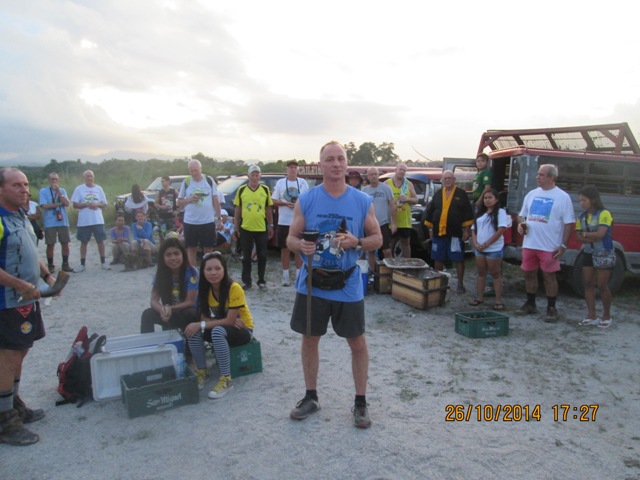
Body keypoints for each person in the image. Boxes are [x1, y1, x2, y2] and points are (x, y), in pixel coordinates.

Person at [287, 141, 382, 429]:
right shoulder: (307, 199)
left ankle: (360, 402)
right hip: (312, 284)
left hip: (347, 282)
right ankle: (311, 397)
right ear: (321, 165)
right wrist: (300, 246)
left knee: (357, 343)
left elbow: (378, 238)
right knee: (310, 339)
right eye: (330, 159)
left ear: (347, 163)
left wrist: (358, 241)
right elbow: (291, 238)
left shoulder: (361, 200)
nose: (336, 163)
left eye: (341, 158)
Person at [0, 168, 58, 446]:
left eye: (25, 185)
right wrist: (21, 285)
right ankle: (5, 423)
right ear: (1, 189)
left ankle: (13, 404)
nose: (24, 190)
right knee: (7, 357)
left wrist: (47, 276)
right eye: (16, 185)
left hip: (27, 300)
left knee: (20, 352)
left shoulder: (21, 216)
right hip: (6, 302)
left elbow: (30, 252)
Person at [183, 252, 253, 397]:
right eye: (208, 269)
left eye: (217, 268)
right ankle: (202, 371)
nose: (213, 273)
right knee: (193, 329)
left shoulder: (234, 288)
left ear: (224, 269)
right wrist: (210, 322)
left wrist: (209, 323)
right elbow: (205, 318)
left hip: (243, 329)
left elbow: (229, 321)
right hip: (225, 326)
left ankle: (226, 379)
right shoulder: (204, 289)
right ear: (203, 271)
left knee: (215, 330)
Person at [515, 164, 575, 322]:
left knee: (549, 276)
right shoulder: (531, 194)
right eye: (538, 174)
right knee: (528, 274)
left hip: (549, 245)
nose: (537, 177)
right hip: (530, 244)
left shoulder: (562, 197)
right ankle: (530, 303)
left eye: (541, 175)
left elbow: (569, 223)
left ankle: (551, 308)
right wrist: (521, 224)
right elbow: (521, 215)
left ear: (551, 178)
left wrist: (563, 245)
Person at [423, 170, 474, 293]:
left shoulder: (461, 194)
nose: (447, 180)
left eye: (449, 178)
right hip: (438, 232)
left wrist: (467, 231)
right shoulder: (438, 194)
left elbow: (468, 212)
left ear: (454, 179)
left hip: (455, 233)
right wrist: (430, 230)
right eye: (444, 178)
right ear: (442, 180)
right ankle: (437, 283)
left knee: (458, 258)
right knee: (438, 257)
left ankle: (460, 284)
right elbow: (430, 212)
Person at [140, 238, 199, 334]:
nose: (173, 258)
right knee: (147, 314)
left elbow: (190, 301)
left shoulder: (191, 272)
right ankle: (147, 343)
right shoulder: (161, 273)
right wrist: (162, 310)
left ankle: (190, 342)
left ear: (183, 254)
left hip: (186, 314)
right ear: (162, 257)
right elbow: (154, 300)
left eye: (176, 253)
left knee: (190, 313)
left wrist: (171, 308)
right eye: (168, 255)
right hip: (168, 313)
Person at [575, 186, 615, 328]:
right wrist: (589, 236)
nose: (581, 203)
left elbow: (601, 234)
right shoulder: (581, 217)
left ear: (593, 200)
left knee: (602, 285)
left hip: (603, 252)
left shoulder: (604, 213)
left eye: (584, 200)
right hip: (588, 252)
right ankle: (591, 315)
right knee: (588, 283)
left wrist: (586, 234)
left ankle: (606, 315)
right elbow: (577, 236)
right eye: (580, 200)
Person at [233, 165, 274, 290]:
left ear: (260, 176)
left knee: (262, 256)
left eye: (257, 175)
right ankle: (247, 281)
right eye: (252, 175)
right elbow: (238, 209)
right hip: (246, 228)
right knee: (246, 257)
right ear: (248, 176)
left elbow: (268, 208)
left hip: (261, 228)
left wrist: (271, 225)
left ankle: (261, 281)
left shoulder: (265, 190)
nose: (254, 177)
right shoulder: (241, 190)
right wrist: (236, 226)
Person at [271, 160, 310, 286]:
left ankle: (299, 275)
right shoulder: (281, 182)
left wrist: (299, 204)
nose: (293, 169)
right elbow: (273, 200)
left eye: (295, 167)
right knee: (285, 249)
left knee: (299, 248)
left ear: (297, 170)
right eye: (290, 167)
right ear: (286, 169)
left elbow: (308, 199)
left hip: (299, 221)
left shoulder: (302, 182)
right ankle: (285, 276)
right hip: (284, 221)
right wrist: (285, 204)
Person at [177, 160, 222, 267]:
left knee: (208, 249)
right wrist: (189, 199)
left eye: (196, 170)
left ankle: (207, 270)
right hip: (190, 222)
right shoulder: (186, 182)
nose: (194, 173)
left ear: (201, 169)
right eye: (191, 171)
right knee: (191, 248)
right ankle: (193, 272)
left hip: (207, 221)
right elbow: (179, 202)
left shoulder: (209, 180)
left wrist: (219, 218)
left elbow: (215, 200)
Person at [469, 189, 507, 310]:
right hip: (479, 248)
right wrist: (475, 243)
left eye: (490, 198)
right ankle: (479, 297)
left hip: (493, 248)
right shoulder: (480, 213)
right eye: (485, 198)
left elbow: (501, 230)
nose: (487, 200)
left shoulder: (500, 212)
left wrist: (487, 244)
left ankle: (498, 300)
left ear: (496, 199)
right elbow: (473, 229)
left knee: (495, 274)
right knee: (481, 273)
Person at [71, 170, 110, 272]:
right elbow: (75, 205)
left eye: (91, 176)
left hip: (97, 220)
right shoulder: (79, 189)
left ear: (93, 177)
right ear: (84, 177)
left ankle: (103, 262)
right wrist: (86, 204)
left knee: (100, 241)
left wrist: (97, 204)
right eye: (87, 176)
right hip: (84, 221)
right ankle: (82, 264)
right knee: (84, 242)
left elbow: (105, 204)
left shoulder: (99, 188)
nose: (89, 178)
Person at [363, 167, 397, 273]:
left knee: (387, 251)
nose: (373, 176)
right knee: (371, 251)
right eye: (371, 174)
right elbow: (361, 208)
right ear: (368, 177)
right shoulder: (365, 190)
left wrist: (394, 223)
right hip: (369, 225)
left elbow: (392, 205)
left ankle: (391, 273)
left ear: (378, 175)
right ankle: (372, 273)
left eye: (375, 174)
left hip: (383, 224)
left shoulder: (386, 188)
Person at [38, 172, 73, 273]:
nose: (54, 181)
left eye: (56, 179)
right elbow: (45, 206)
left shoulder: (62, 190)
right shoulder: (43, 191)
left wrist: (59, 192)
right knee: (50, 244)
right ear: (49, 180)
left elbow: (67, 203)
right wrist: (59, 203)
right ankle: (50, 265)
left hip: (63, 221)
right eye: (52, 179)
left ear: (58, 180)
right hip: (50, 222)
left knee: (65, 243)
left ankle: (65, 264)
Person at [385, 163, 418, 257]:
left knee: (406, 243)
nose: (402, 171)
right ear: (395, 170)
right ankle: (389, 263)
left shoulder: (408, 184)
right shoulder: (387, 183)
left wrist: (408, 199)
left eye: (404, 170)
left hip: (404, 220)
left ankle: (407, 263)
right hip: (391, 220)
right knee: (389, 244)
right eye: (400, 169)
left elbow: (416, 200)